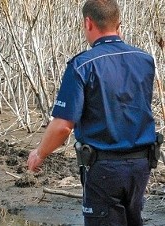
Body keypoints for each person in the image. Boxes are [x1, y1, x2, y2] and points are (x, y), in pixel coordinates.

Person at [26, 0, 156, 225]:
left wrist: (39, 153)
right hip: (141, 165)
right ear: (119, 25)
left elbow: (63, 125)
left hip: (105, 167)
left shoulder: (83, 65)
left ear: (88, 23)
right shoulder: (145, 60)